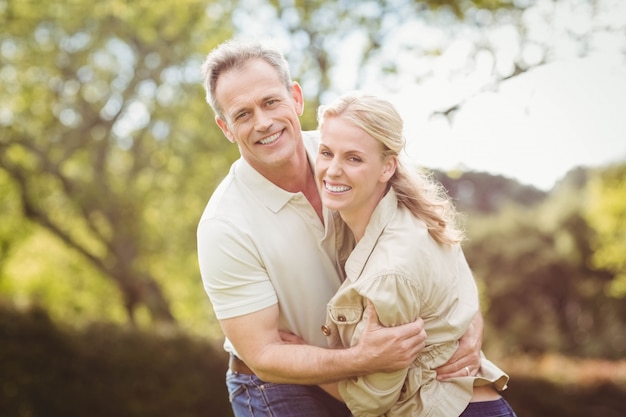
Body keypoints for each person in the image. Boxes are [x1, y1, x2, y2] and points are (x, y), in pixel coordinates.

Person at [197, 39, 484, 417]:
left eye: (270, 102)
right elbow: (265, 355)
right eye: (243, 114)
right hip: (279, 385)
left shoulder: (349, 149)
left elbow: (429, 231)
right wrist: (361, 360)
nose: (263, 122)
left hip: (376, 370)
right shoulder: (224, 225)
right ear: (226, 128)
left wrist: (470, 320)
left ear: (295, 98)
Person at [314, 91, 517, 417]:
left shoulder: (390, 269)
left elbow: (370, 401)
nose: (333, 170)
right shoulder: (415, 218)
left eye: (353, 158)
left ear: (387, 167)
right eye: (326, 153)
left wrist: (299, 364)